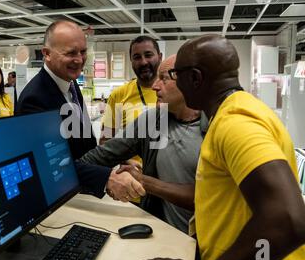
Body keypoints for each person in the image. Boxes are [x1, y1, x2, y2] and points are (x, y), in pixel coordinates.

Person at [135, 35, 305, 260]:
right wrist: (145, 182)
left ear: (195, 78)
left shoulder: (236, 123)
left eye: (175, 75)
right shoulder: (233, 112)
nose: (161, 84)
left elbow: (290, 222)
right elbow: (212, 195)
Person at [17, 20, 145, 202]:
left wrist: (114, 162)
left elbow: (85, 144)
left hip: (80, 191)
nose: (79, 60)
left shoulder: (69, 82)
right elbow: (49, 164)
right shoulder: (35, 99)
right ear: (46, 54)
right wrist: (106, 177)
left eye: (83, 51)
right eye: (70, 53)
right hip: (58, 199)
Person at [80, 55, 206, 233]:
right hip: (163, 235)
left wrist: (144, 181)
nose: (155, 86)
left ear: (190, 81)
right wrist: (108, 177)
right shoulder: (152, 120)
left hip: (208, 245)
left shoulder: (217, 126)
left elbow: (210, 197)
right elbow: (96, 157)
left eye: (164, 79)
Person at [100, 35, 161, 145]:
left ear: (160, 57)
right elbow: (105, 141)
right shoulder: (118, 95)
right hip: (132, 162)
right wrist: (126, 160)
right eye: (137, 57)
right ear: (131, 61)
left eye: (148, 55)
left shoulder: (176, 90)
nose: (143, 62)